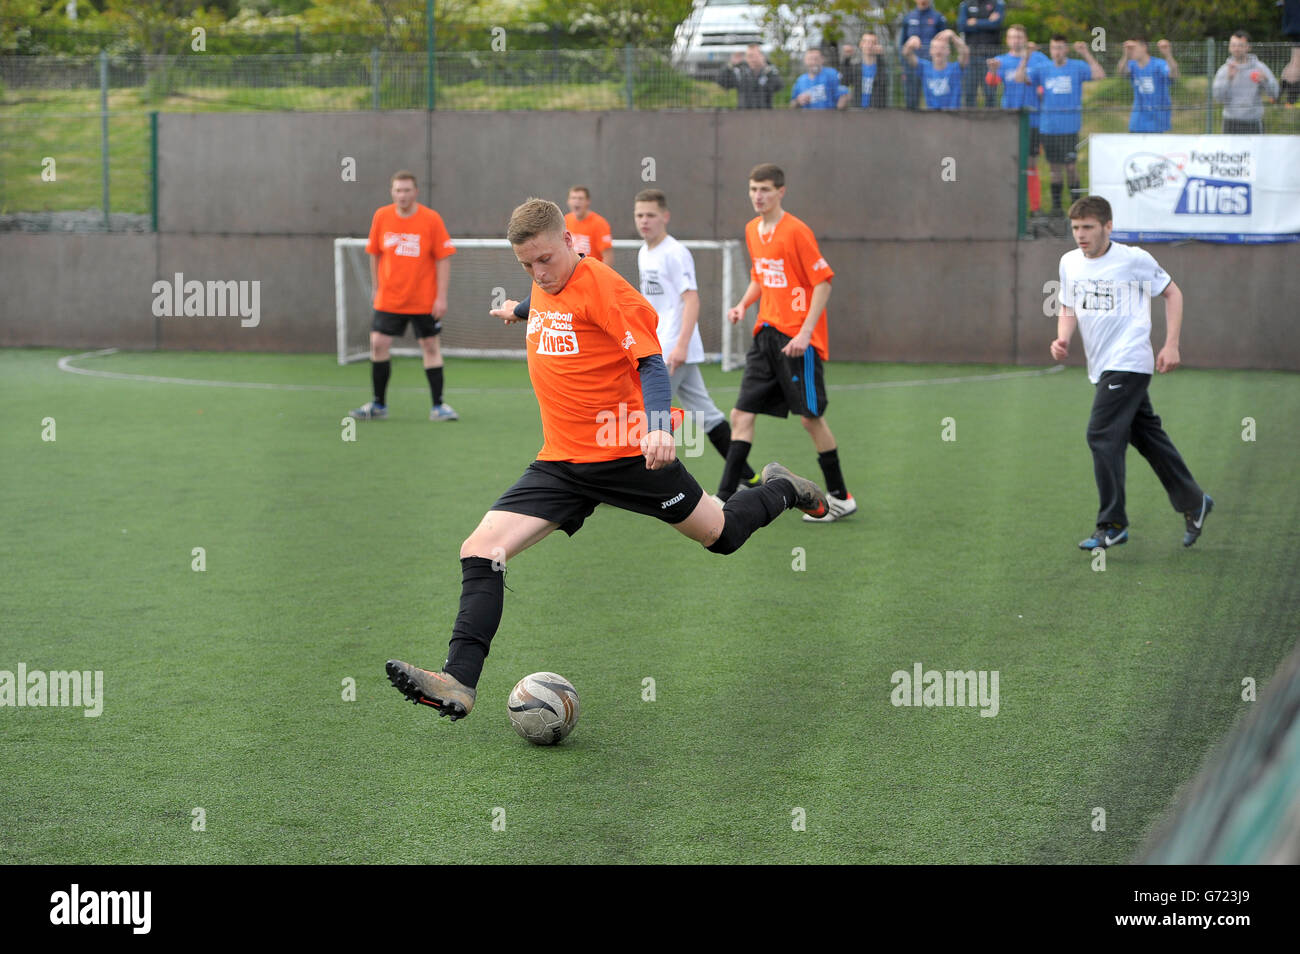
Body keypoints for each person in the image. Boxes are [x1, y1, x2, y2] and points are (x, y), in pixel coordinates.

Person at [384, 197, 829, 720]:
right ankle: (459, 679)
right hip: (560, 463)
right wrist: (518, 308)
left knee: (723, 535)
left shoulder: (607, 289)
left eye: (545, 260)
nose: (538, 272)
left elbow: (651, 361)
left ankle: (782, 486)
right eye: (526, 265)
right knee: (481, 549)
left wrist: (660, 428)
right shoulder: (544, 279)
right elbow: (557, 308)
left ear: (571, 242)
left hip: (627, 456)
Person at [1050, 195, 1212, 553]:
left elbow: (1172, 293)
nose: (1081, 234)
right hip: (1103, 364)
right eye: (1076, 227)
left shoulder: (1133, 259)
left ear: (1108, 227)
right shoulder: (1069, 262)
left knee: (1101, 434)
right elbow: (1067, 304)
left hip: (1130, 359)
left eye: (1089, 227)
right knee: (1146, 434)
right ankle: (1194, 501)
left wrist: (1171, 344)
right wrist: (1063, 338)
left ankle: (1113, 523)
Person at [721, 164, 855, 521]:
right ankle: (722, 497)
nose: (757, 196)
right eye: (752, 189)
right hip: (765, 334)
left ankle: (841, 496)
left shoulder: (797, 231)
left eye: (764, 189)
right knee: (740, 413)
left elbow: (824, 281)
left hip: (797, 339)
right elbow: (760, 276)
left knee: (810, 420)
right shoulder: (752, 230)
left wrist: (805, 333)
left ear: (781, 191)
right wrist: (742, 305)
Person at [634, 188, 755, 487]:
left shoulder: (675, 253)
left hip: (673, 349)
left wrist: (681, 346)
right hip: (660, 345)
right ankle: (748, 478)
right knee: (707, 415)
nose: (644, 221)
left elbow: (692, 300)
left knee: (646, 410)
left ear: (665, 217)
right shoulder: (643, 252)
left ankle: (634, 481)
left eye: (650, 215)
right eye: (639, 215)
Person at [350, 170, 458, 422]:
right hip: (389, 299)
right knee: (378, 344)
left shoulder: (431, 219)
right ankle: (378, 405)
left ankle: (438, 406)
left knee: (430, 346)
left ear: (416, 192)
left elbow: (443, 259)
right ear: (392, 192)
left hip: (423, 299)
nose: (402, 195)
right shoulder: (382, 216)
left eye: (407, 190)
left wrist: (441, 297)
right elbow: (375, 253)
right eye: (398, 190)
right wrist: (377, 288)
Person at [1024, 36, 1104, 216]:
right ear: (1050, 50)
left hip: (1069, 127)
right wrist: (1027, 56)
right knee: (1054, 169)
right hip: (1049, 127)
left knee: (1071, 167)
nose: (1057, 52)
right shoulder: (1043, 69)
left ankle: (1078, 208)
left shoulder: (1076, 66)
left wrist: (1086, 53)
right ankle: (1057, 208)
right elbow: (1021, 78)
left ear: (1066, 49)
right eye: (1054, 48)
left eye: (1060, 48)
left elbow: (1099, 75)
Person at [988, 26, 1051, 185]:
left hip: (1033, 118)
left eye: (1019, 37)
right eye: (1012, 37)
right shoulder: (1001, 60)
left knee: (1031, 163)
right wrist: (993, 71)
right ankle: (1012, 202)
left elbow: (1050, 78)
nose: (1016, 40)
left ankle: (1034, 207)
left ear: (1025, 39)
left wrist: (1041, 89)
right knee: (1011, 159)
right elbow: (991, 83)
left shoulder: (1039, 58)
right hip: (1010, 117)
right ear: (1007, 40)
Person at [1212, 31, 1279, 134]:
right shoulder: (1224, 70)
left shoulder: (1259, 67)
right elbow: (1217, 97)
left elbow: (1275, 94)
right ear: (1229, 47)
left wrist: (1266, 80)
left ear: (1248, 47)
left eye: (1240, 45)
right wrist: (1228, 79)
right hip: (1230, 121)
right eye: (1233, 45)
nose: (1236, 49)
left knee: (1256, 150)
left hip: (1254, 121)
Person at [1118, 35, 1179, 133]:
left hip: (1157, 118)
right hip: (1138, 120)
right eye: (1130, 49)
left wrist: (1168, 55)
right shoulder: (1132, 65)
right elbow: (1121, 72)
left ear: (1144, 47)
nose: (1131, 51)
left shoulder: (1159, 64)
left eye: (1134, 48)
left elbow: (1174, 75)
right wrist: (1126, 55)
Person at [897, 0, 949, 110]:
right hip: (912, 65)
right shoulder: (908, 17)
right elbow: (902, 44)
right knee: (911, 100)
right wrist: (903, 63)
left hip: (932, 67)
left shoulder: (938, 17)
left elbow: (945, 42)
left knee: (936, 99)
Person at [902, 29, 969, 112]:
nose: (938, 50)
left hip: (954, 116)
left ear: (948, 51)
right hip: (932, 116)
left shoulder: (955, 68)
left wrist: (953, 37)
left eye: (942, 48)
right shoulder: (924, 67)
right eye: (935, 47)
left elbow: (965, 53)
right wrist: (910, 43)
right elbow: (907, 54)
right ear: (930, 51)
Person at [957, 0, 1004, 107]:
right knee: (969, 94)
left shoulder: (997, 3)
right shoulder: (966, 4)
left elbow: (996, 24)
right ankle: (969, 122)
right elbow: (961, 26)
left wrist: (975, 22)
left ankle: (990, 122)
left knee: (990, 94)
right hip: (971, 56)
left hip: (990, 57)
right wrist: (987, 21)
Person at [718, 44, 783, 109]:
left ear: (762, 56)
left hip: (765, 114)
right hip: (743, 114)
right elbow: (722, 82)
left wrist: (768, 70)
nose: (753, 59)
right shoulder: (740, 72)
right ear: (746, 58)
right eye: (749, 56)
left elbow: (779, 86)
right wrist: (730, 65)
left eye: (755, 56)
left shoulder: (769, 71)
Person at [565, 185, 614, 267]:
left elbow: (608, 258)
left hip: (592, 273)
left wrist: (599, 276)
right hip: (572, 273)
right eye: (573, 198)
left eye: (580, 198)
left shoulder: (599, 223)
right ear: (568, 201)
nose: (576, 201)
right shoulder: (565, 220)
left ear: (588, 201)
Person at [845, 31, 891, 109]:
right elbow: (845, 81)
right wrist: (847, 58)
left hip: (877, 112)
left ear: (877, 46)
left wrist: (880, 56)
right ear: (861, 44)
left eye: (873, 42)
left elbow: (885, 81)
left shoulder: (882, 67)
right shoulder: (855, 68)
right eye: (865, 41)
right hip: (857, 111)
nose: (869, 45)